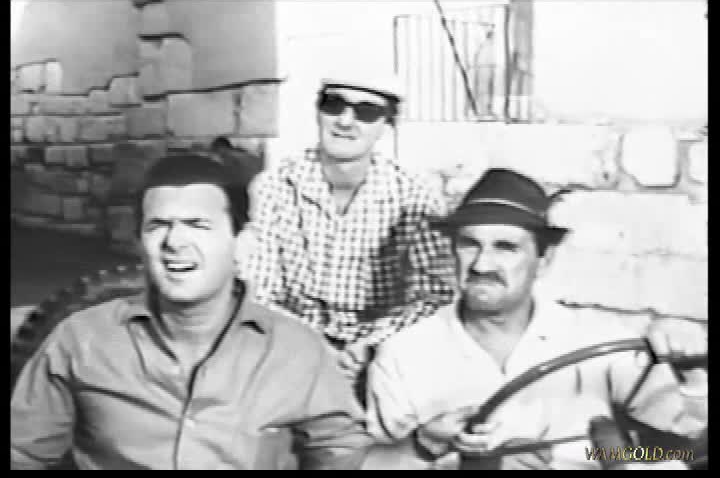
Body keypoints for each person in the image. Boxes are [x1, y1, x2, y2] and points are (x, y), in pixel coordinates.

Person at [11, 153, 372, 470]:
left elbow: (340, 450)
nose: (175, 242)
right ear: (140, 243)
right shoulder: (82, 341)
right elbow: (21, 454)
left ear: (242, 244)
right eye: (158, 226)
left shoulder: (295, 351)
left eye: (198, 225)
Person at [365, 168, 708, 470]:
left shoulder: (596, 339)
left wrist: (691, 371)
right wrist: (444, 453)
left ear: (544, 260)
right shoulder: (403, 355)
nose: (482, 265)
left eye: (506, 247)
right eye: (469, 244)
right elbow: (374, 464)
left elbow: (688, 436)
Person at [244, 74, 455, 389]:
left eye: (366, 112)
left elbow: (432, 294)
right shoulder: (275, 186)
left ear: (387, 125)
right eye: (334, 105)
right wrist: (313, 348)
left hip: (384, 353)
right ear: (317, 112)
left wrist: (371, 345)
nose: (345, 121)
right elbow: (258, 290)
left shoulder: (413, 194)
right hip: (292, 347)